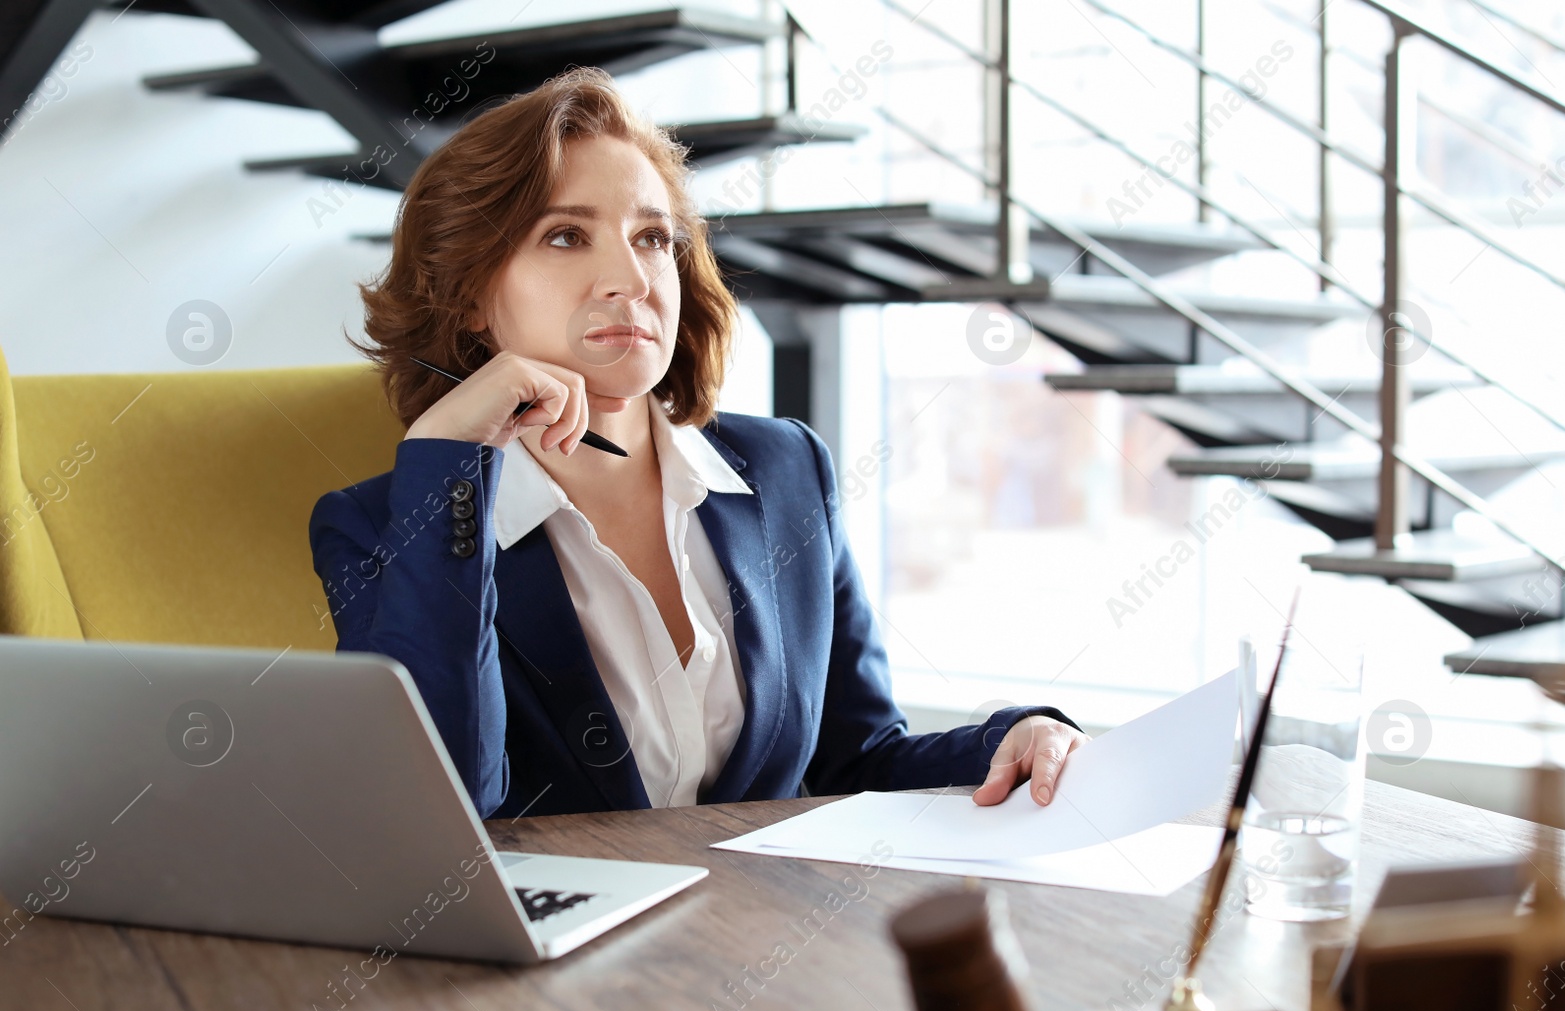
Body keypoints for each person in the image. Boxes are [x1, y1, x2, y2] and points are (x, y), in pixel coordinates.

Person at [308, 68, 1088, 820]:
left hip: (760, 936)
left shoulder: (786, 470)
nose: (631, 276)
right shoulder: (379, 527)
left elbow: (858, 761)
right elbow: (442, 806)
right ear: (471, 295)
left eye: (652, 237)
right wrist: (448, 457)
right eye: (566, 236)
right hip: (554, 949)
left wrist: (1007, 740)